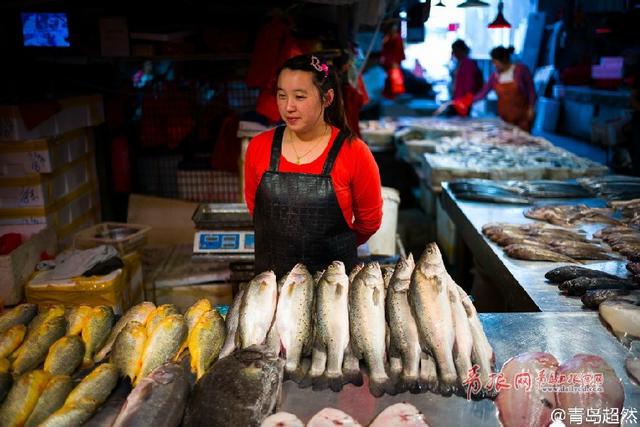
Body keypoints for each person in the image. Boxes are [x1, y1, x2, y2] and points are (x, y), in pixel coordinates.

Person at [244, 54, 383, 277]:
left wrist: (334, 245)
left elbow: (369, 222)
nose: (288, 106)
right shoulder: (259, 147)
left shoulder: (354, 152)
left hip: (332, 288)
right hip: (272, 288)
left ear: (327, 98)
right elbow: (256, 210)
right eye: (281, 96)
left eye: (299, 97)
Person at [472, 46, 536, 131]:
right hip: (504, 118)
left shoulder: (521, 70)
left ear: (504, 60)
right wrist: (468, 101)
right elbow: (483, 92)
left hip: (522, 117)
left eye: (496, 62)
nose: (494, 65)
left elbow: (531, 90)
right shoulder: (494, 77)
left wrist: (531, 108)